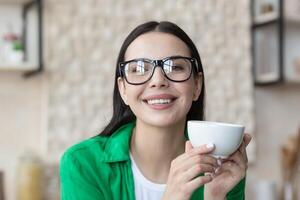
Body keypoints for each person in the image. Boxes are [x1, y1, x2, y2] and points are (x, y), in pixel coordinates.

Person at [60, 21, 252, 200]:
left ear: (197, 85)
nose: (158, 80)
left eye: (175, 67)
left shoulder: (221, 165)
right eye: (139, 68)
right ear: (123, 89)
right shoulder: (82, 164)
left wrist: (215, 196)